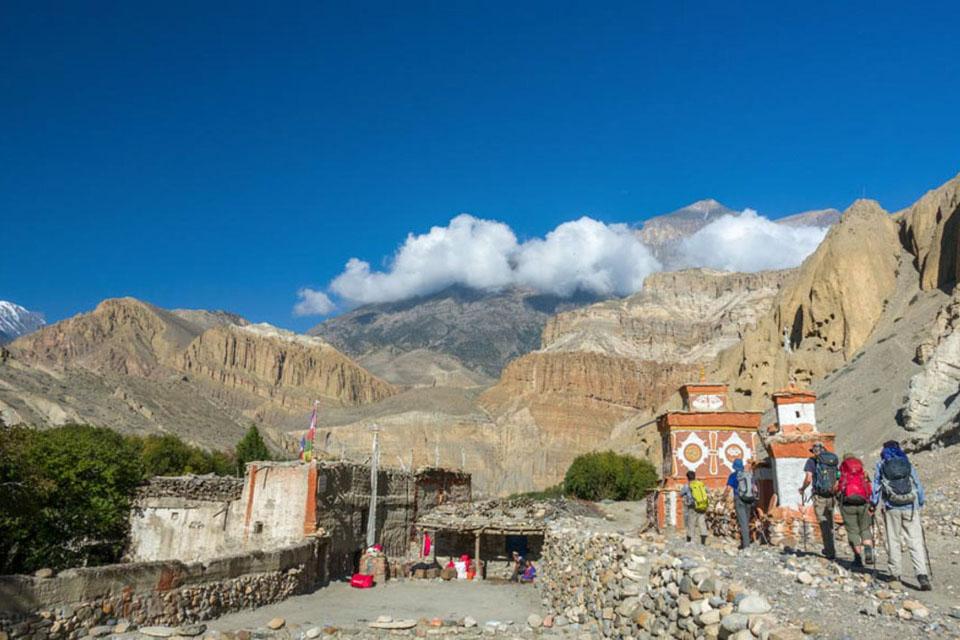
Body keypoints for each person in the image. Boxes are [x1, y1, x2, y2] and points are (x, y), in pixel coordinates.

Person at [871, 440, 931, 591]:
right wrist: (920, 502)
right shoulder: (906, 463)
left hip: (892, 508)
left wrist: (873, 503)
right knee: (915, 541)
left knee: (893, 540)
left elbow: (876, 486)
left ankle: (895, 574)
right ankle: (922, 575)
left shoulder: (882, 464)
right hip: (911, 507)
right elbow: (917, 484)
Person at [798, 443, 839, 560]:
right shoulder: (832, 460)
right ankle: (831, 547)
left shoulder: (812, 461)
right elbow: (838, 476)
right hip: (831, 495)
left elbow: (808, 478)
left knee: (823, 522)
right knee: (830, 521)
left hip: (819, 495)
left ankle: (830, 551)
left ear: (813, 451)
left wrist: (803, 488)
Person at [837, 453, 874, 567]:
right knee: (865, 529)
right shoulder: (863, 472)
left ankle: (858, 558)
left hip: (847, 504)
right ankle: (868, 549)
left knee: (853, 531)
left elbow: (837, 487)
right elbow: (869, 488)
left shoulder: (842, 472)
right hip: (863, 504)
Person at [723, 458, 757, 550]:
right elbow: (754, 488)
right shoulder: (749, 475)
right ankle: (747, 541)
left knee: (743, 523)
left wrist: (723, 498)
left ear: (734, 466)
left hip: (739, 500)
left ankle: (746, 545)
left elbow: (728, 489)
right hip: (749, 499)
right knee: (746, 521)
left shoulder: (733, 476)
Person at [680, 470, 708, 545]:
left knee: (691, 523)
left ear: (687, 477)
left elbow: (681, 494)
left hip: (692, 506)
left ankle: (689, 540)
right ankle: (703, 541)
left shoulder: (687, 486)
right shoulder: (701, 484)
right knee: (701, 522)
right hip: (702, 505)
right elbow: (706, 491)